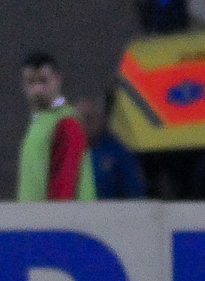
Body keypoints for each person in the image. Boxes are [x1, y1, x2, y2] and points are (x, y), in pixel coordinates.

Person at [16, 51, 95, 202]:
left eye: (43, 81)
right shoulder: (42, 123)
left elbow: (64, 187)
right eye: (31, 82)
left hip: (55, 215)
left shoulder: (66, 124)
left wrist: (54, 215)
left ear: (58, 79)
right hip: (37, 214)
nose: (37, 89)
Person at [75, 94, 146, 199]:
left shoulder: (119, 153)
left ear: (102, 118)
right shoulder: (65, 150)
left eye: (90, 119)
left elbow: (135, 194)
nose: (84, 124)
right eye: (79, 119)